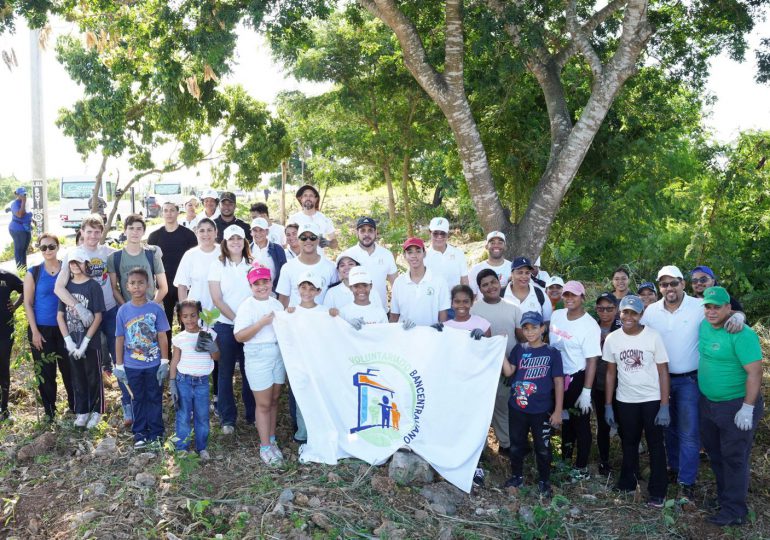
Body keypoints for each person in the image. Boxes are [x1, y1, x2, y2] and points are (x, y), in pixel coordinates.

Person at [698, 286, 764, 527]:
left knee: (734, 457)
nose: (712, 311)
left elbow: (755, 372)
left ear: (729, 308)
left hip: (735, 404)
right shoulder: (704, 324)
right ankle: (726, 500)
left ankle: (735, 511)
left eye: (717, 307)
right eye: (708, 306)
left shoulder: (742, 334)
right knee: (716, 454)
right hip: (708, 404)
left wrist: (747, 407)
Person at [640, 265, 703, 499]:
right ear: (660, 287)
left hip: (689, 380)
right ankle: (674, 468)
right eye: (664, 284)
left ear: (683, 284)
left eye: (674, 283)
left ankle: (687, 480)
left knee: (689, 431)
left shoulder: (698, 307)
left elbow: (725, 313)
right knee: (668, 429)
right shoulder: (652, 311)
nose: (669, 288)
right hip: (660, 380)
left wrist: (738, 315)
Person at [54, 215, 123, 423]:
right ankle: (86, 408)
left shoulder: (108, 252)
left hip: (108, 311)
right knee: (87, 363)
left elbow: (130, 250)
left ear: (101, 233)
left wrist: (151, 249)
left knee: (118, 358)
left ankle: (127, 403)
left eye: (97, 232)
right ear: (82, 232)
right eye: (89, 231)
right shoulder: (73, 254)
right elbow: (59, 287)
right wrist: (78, 308)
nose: (93, 236)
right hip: (83, 317)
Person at [603, 295, 670, 507]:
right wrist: (607, 405)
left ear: (641, 315)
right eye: (625, 312)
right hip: (625, 400)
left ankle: (658, 491)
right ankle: (628, 482)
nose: (629, 316)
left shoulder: (653, 336)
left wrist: (665, 405)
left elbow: (663, 372)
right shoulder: (612, 339)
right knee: (629, 442)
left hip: (651, 399)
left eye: (634, 312)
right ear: (619, 313)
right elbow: (610, 374)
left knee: (655, 444)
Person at [502, 311, 564, 498]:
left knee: (543, 447)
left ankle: (544, 481)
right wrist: (499, 349)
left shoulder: (552, 352)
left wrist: (558, 410)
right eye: (526, 328)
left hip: (542, 409)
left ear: (543, 328)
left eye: (534, 328)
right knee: (516, 445)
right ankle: (517, 476)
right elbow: (508, 372)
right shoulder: (519, 349)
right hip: (518, 407)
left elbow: (559, 381)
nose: (530, 332)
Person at [548, 280, 601, 480]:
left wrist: (587, 391)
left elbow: (592, 360)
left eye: (574, 295)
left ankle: (581, 467)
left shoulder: (589, 325)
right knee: (566, 421)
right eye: (567, 295)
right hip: (557, 377)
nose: (569, 299)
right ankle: (565, 460)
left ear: (582, 298)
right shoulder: (557, 315)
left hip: (578, 376)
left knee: (581, 423)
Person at [113, 267, 171, 448]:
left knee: (154, 397)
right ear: (127, 286)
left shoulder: (155, 308)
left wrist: (164, 361)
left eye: (140, 283)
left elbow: (162, 335)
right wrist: (120, 365)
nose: (136, 287)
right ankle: (140, 433)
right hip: (132, 366)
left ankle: (156, 433)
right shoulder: (123, 311)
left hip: (153, 364)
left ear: (148, 285)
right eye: (132, 283)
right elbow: (120, 338)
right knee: (137, 398)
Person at [234, 266, 286, 466]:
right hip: (257, 354)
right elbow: (239, 336)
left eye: (265, 282)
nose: (262, 286)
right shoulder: (247, 306)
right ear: (250, 286)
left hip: (277, 353)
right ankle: (264, 447)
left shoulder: (277, 305)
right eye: (257, 283)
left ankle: (271, 440)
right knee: (263, 404)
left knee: (273, 400)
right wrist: (262, 323)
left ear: (271, 282)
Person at [470, 268, 522, 457]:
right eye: (485, 285)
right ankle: (482, 447)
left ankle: (508, 445)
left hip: (509, 368)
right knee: (485, 409)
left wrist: (515, 368)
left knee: (505, 406)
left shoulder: (513, 307)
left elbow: (521, 339)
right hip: (484, 369)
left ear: (499, 282)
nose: (490, 287)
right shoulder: (474, 309)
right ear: (480, 289)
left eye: (493, 282)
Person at [208, 224, 254, 434]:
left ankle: (252, 415)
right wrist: (236, 320)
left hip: (250, 328)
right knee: (225, 372)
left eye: (239, 238)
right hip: (226, 326)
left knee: (249, 371)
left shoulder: (253, 264)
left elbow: (259, 294)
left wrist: (246, 323)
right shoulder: (217, 265)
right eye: (231, 239)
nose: (235, 242)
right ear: (225, 243)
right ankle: (228, 418)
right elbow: (217, 299)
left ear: (244, 241)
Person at [23, 233, 74, 421]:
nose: (47, 251)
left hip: (66, 328)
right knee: (46, 372)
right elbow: (28, 303)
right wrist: (34, 331)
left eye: (51, 246)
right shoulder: (34, 272)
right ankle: (50, 412)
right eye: (43, 247)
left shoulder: (67, 269)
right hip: (42, 329)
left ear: (58, 247)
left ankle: (75, 407)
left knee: (69, 369)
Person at [285, 271, 338, 442]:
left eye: (311, 288)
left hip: (319, 363)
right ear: (298, 289)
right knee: (302, 398)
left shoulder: (325, 312)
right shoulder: (291, 312)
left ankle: (322, 433)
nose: (307, 292)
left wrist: (335, 316)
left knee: (320, 398)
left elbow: (334, 335)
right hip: (299, 364)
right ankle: (303, 433)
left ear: (318, 292)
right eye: (303, 287)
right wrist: (287, 315)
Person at [174, 218, 221, 410]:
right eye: (202, 230)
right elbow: (183, 285)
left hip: (219, 313)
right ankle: (195, 396)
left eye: (210, 230)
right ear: (196, 233)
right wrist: (184, 312)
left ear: (216, 232)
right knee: (195, 354)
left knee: (215, 354)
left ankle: (218, 396)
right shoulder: (190, 255)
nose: (206, 234)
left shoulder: (222, 252)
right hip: (195, 315)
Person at [56, 249, 105, 429]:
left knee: (93, 377)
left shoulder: (93, 286)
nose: (75, 265)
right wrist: (68, 340)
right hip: (72, 342)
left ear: (86, 264)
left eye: (78, 262)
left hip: (90, 343)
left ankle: (96, 411)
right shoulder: (66, 287)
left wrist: (85, 342)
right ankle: (82, 411)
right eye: (71, 262)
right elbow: (60, 316)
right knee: (77, 377)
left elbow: (98, 316)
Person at [169, 300, 218, 460]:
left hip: (202, 383)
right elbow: (175, 361)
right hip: (183, 382)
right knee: (183, 415)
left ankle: (201, 447)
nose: (189, 320)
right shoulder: (179, 338)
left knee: (202, 415)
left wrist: (211, 346)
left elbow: (217, 357)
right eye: (185, 316)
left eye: (193, 315)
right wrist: (172, 383)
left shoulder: (208, 333)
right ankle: (182, 448)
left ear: (200, 315)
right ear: (180, 318)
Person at [148, 202, 198, 341]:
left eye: (172, 210)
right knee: (165, 323)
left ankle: (186, 353)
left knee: (187, 321)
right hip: (163, 286)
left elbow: (194, 260)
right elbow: (150, 263)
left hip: (184, 285)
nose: (169, 213)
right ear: (162, 213)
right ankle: (168, 358)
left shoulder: (188, 235)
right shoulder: (155, 236)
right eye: (166, 210)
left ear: (177, 212)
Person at [339, 217, 398, 310]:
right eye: (362, 231)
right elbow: (339, 286)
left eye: (370, 230)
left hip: (381, 312)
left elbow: (396, 285)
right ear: (357, 233)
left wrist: (395, 311)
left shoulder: (386, 255)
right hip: (354, 313)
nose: (366, 234)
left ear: (375, 232)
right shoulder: (347, 256)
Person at [592, 292, 622, 476]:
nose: (605, 312)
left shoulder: (622, 326)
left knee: (625, 425)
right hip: (598, 384)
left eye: (609, 308)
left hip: (622, 384)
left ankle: (629, 462)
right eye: (601, 308)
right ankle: (604, 461)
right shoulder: (592, 326)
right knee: (603, 425)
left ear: (616, 309)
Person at [108, 214, 168, 305]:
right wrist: (126, 307)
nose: (135, 232)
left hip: (152, 309)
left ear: (144, 232)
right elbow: (113, 288)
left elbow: (164, 287)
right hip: (129, 311)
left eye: (139, 229)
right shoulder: (114, 258)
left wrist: (152, 305)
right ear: (125, 231)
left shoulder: (152, 255)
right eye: (131, 228)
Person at [390, 237, 450, 327]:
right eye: (410, 252)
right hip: (405, 336)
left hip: (430, 336)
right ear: (404, 255)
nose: (414, 256)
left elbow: (443, 314)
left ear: (424, 254)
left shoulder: (439, 280)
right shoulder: (399, 282)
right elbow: (394, 316)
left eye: (418, 251)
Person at [276, 223, 337, 308]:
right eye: (303, 238)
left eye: (312, 237)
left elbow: (335, 298)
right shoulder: (287, 268)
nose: (308, 241)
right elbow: (283, 300)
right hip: (296, 319)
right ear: (298, 240)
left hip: (323, 319)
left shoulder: (331, 267)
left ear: (318, 239)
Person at [690, 266, 746, 330]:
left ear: (713, 281)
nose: (699, 283)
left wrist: (739, 316)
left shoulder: (725, 299)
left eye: (703, 280)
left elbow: (740, 316)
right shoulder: (689, 302)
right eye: (694, 281)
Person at [0, 265, 23, 421]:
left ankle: (4, 409)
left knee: (3, 368)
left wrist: (15, 305)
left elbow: (26, 289)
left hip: (5, 333)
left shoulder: (7, 276)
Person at [504, 257, 552, 325]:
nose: (524, 276)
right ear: (512, 273)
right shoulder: (501, 294)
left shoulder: (540, 294)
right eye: (520, 272)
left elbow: (547, 321)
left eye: (527, 273)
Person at [288, 185, 337, 250]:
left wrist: (328, 243)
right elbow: (288, 241)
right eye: (305, 195)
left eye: (311, 196)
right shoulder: (293, 219)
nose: (308, 198)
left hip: (319, 259)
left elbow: (335, 244)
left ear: (316, 199)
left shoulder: (325, 219)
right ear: (301, 199)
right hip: (298, 258)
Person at [424, 217, 468, 288]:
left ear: (447, 234)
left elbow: (464, 281)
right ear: (430, 233)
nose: (439, 237)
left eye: (443, 233)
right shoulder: (423, 256)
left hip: (454, 298)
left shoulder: (458, 254)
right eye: (435, 233)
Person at [468, 231, 511, 298]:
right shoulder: (476, 269)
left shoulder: (513, 268)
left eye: (500, 243)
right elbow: (471, 297)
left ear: (505, 246)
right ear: (486, 246)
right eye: (492, 243)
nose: (496, 245)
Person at [249, 217, 287, 294]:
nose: (258, 233)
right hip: (252, 294)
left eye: (261, 230)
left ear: (267, 231)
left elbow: (284, 274)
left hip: (273, 293)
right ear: (251, 232)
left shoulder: (277, 249)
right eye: (255, 230)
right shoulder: (247, 250)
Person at [9, 187, 33, 269]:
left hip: (26, 228)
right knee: (19, 250)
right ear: (17, 194)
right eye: (21, 194)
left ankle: (24, 269)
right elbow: (20, 214)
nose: (23, 196)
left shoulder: (26, 202)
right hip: (17, 229)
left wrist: (32, 220)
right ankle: (20, 269)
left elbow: (27, 213)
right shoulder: (15, 204)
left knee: (23, 250)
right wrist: (23, 201)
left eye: (25, 194)